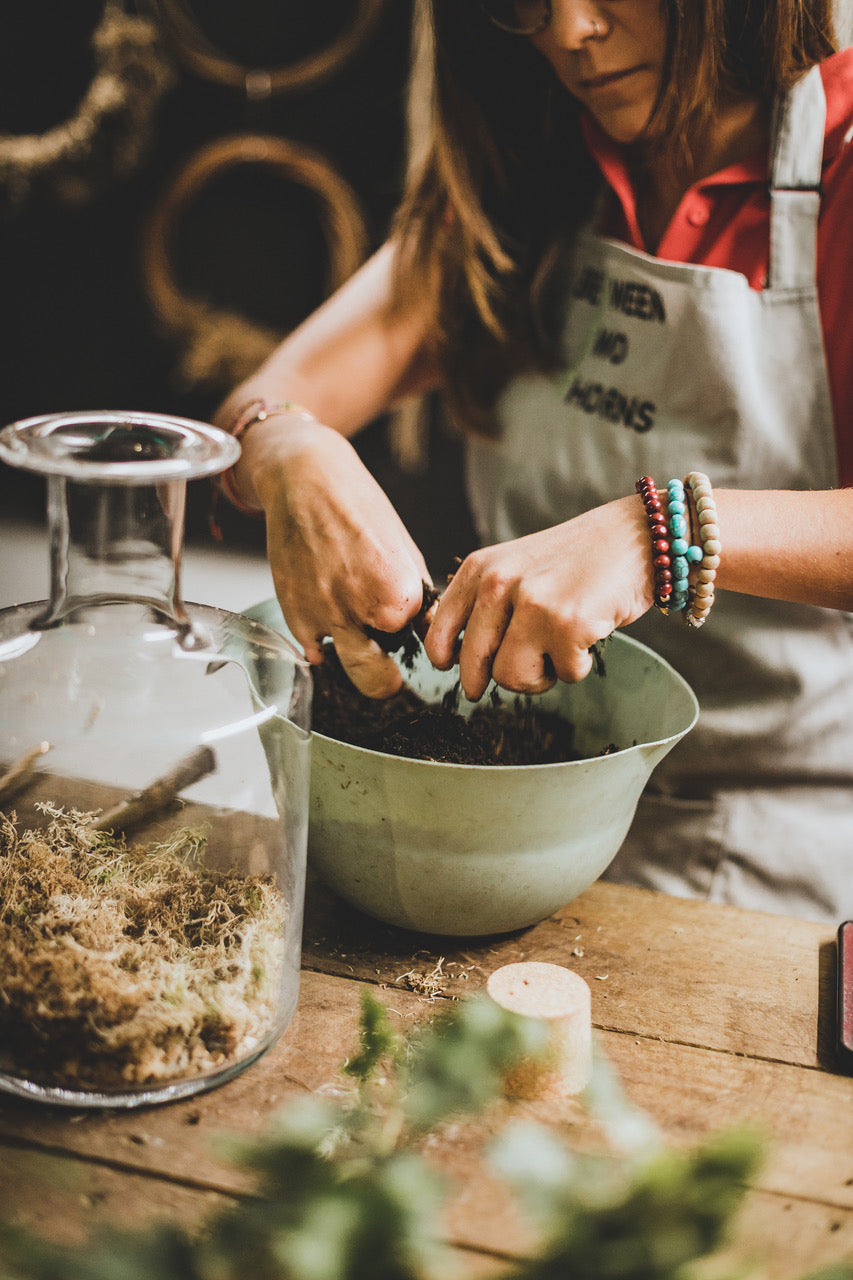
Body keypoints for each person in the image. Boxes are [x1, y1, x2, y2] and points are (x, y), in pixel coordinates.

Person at [213, 0, 853, 924]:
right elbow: (254, 407)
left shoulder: (837, 160)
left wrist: (653, 533)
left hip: (752, 847)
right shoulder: (535, 164)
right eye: (523, 4)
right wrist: (287, 448)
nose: (568, 34)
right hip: (501, 804)